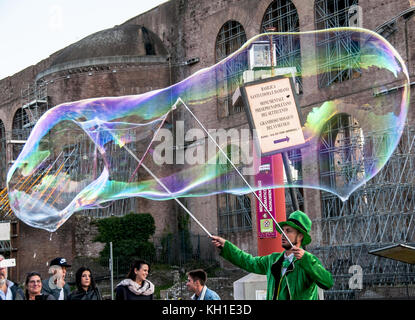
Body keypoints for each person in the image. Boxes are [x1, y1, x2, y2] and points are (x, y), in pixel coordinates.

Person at [211, 210, 333, 300]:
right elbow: (247, 261)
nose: (283, 234)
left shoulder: (309, 261)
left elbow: (327, 282)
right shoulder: (273, 260)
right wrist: (226, 246)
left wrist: (306, 260)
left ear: (300, 236)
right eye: (283, 230)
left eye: (288, 231)